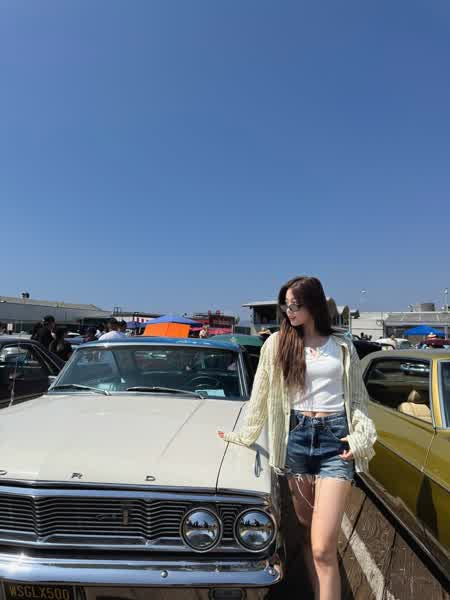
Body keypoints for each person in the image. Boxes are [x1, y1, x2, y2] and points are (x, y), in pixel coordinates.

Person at [218, 276, 376, 600]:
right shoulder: (277, 343)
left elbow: (358, 399)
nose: (288, 311)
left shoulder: (342, 346)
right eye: (285, 305)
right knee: (306, 536)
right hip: (297, 439)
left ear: (314, 305)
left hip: (335, 442)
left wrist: (360, 437)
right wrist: (242, 435)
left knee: (323, 547)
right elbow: (260, 395)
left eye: (295, 305)